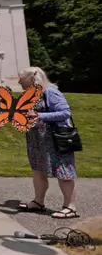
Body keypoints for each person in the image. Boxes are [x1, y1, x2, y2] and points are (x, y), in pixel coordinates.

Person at [17, 67, 79, 219]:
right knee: (38, 169)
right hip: (38, 140)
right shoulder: (30, 95)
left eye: (21, 79)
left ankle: (70, 207)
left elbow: (65, 112)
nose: (18, 82)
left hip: (55, 139)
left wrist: (40, 115)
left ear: (32, 79)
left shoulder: (50, 92)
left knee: (63, 171)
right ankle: (38, 202)